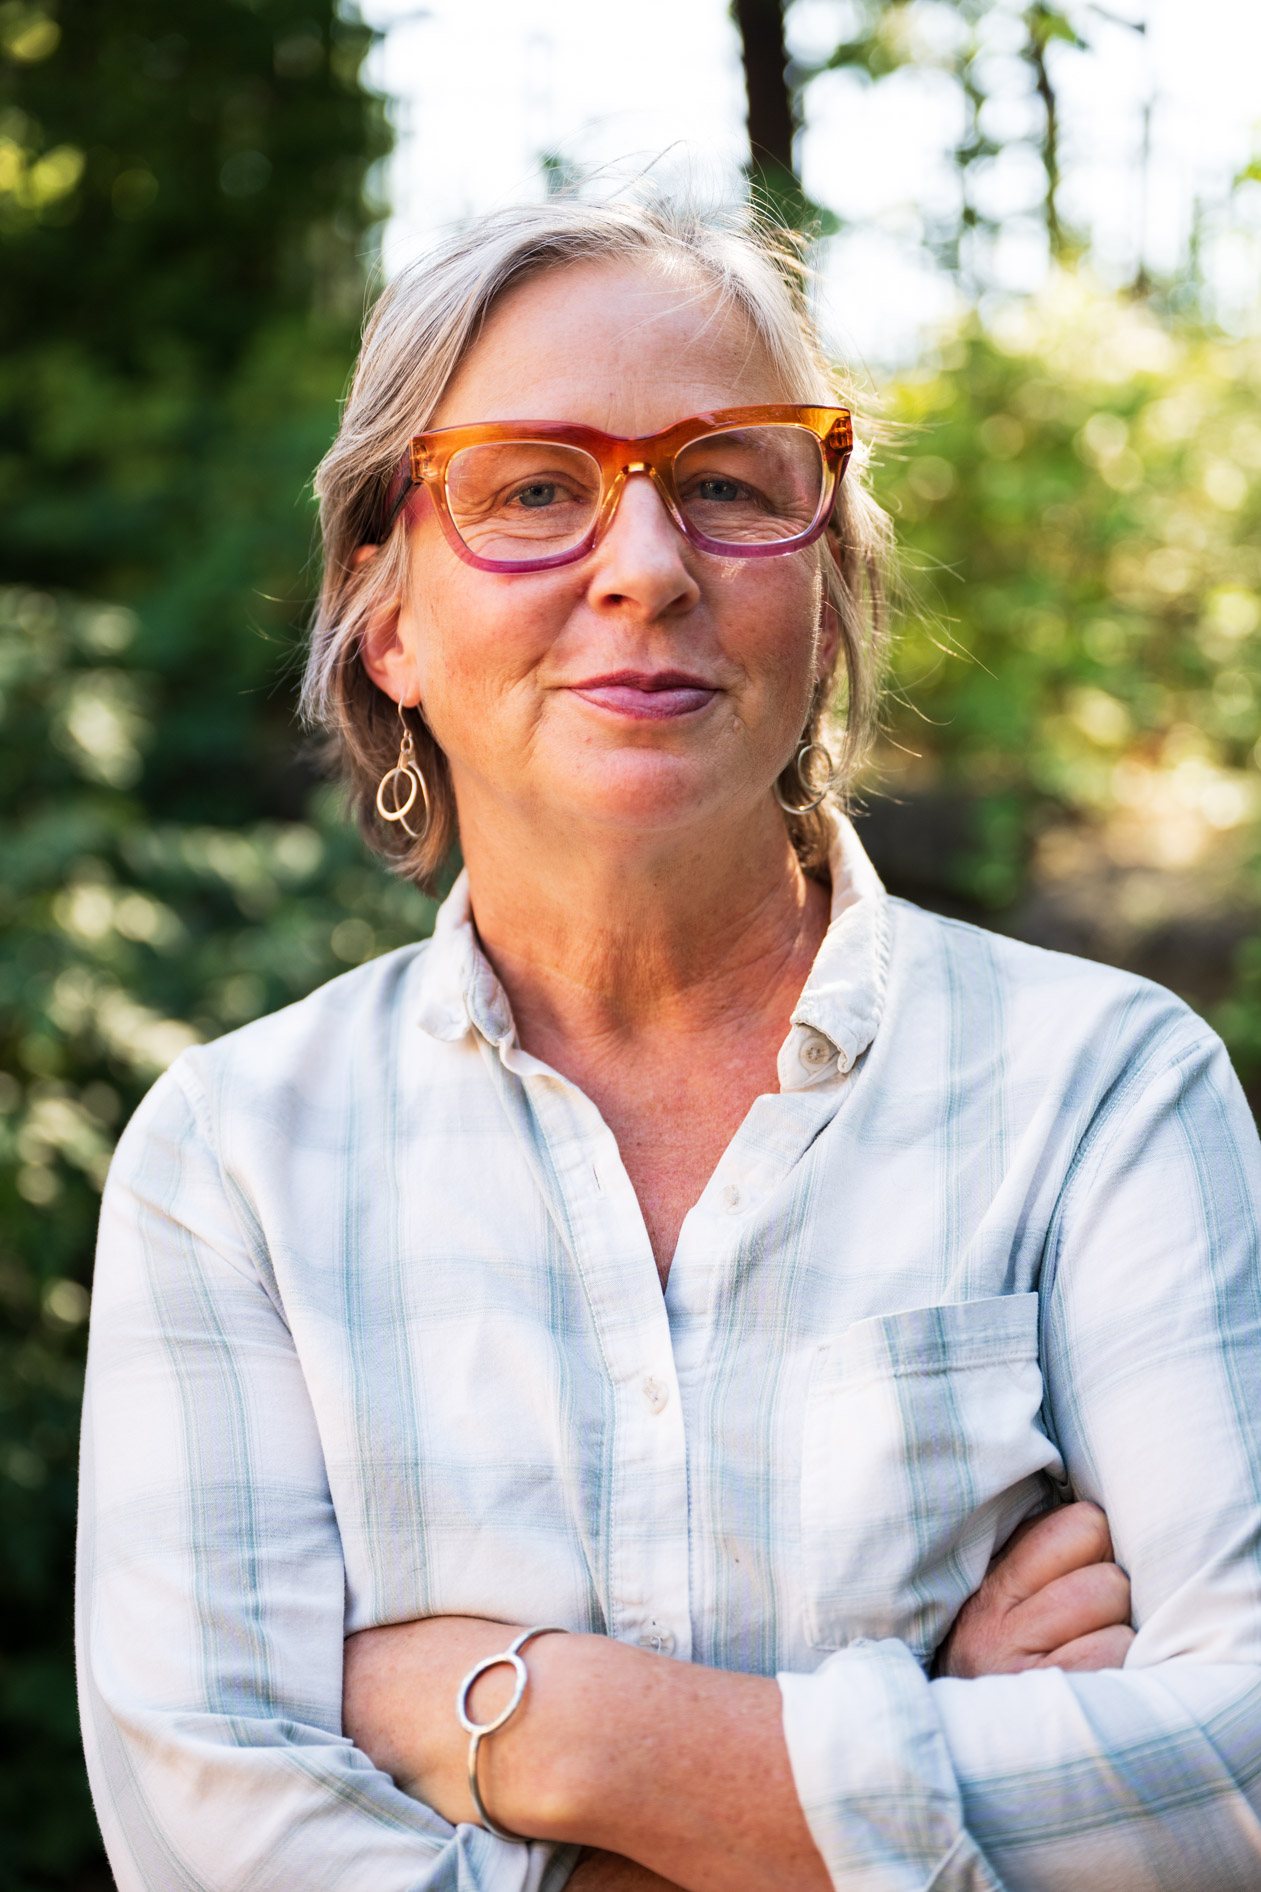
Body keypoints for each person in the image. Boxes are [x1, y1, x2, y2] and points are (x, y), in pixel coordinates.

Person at [76, 197, 1261, 1892]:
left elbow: (1238, 1782)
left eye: (726, 482)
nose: (645, 565)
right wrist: (927, 1748)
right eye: (533, 488)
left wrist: (571, 1738)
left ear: (828, 587)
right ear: (386, 611)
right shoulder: (231, 1161)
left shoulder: (1102, 1091)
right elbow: (214, 1853)